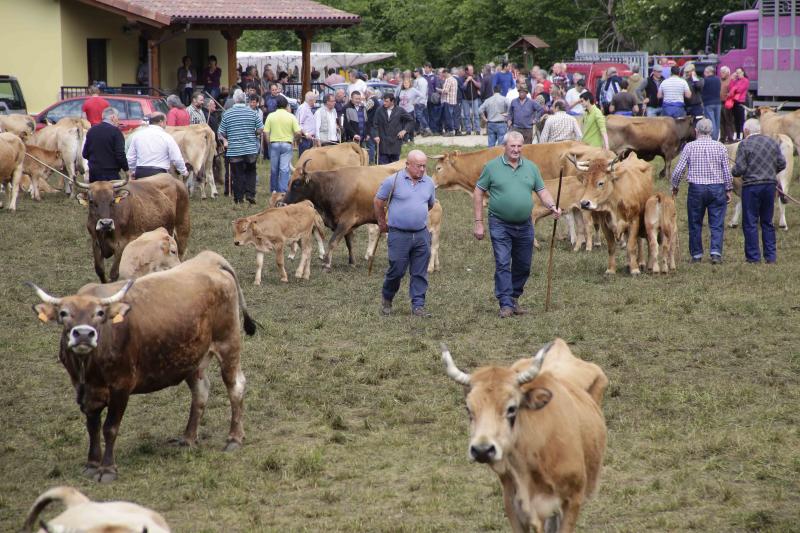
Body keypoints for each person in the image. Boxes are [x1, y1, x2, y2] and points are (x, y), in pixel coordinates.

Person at [473, 131, 561, 318]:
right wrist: (479, 222)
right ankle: (505, 303)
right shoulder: (491, 167)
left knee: (524, 265)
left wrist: (552, 206)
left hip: (525, 224)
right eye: (512, 146)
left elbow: (542, 190)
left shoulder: (531, 168)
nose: (516, 149)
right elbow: (478, 192)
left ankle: (514, 298)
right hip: (499, 223)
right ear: (504, 147)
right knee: (503, 263)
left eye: (519, 146)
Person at [374, 150, 437, 318]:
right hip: (399, 234)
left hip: (421, 234)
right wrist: (382, 222)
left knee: (419, 272)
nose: (422, 169)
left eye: (424, 166)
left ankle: (418, 305)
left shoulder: (429, 183)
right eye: (418, 166)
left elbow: (430, 204)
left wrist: (416, 216)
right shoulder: (393, 181)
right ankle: (387, 298)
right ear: (408, 165)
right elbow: (378, 201)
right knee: (397, 269)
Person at [670, 118, 733, 264]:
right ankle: (716, 253)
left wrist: (675, 186)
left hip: (696, 189)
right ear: (711, 131)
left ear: (696, 131)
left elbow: (679, 170)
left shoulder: (689, 147)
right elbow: (726, 171)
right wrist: (728, 189)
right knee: (717, 223)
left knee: (695, 222)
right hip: (717, 188)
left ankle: (696, 255)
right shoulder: (720, 147)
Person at [731, 119, 787, 263]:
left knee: (750, 222)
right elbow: (782, 163)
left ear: (746, 131)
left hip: (751, 187)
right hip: (769, 186)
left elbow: (739, 170)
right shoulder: (772, 143)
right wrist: (770, 172)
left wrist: (734, 169)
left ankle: (753, 257)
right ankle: (770, 256)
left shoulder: (744, 144)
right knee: (767, 221)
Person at [219, 89, 264, 204]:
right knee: (250, 171)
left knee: (237, 174)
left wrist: (225, 141)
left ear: (234, 100)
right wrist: (254, 134)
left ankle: (238, 198)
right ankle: (250, 194)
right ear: (245, 100)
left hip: (234, 150)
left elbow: (220, 133)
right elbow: (260, 129)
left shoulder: (227, 113)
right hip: (250, 148)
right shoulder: (252, 113)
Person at [126, 112, 188, 179]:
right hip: (159, 174)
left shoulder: (137, 136)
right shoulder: (166, 137)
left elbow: (130, 158)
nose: (166, 124)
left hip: (141, 172)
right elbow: (177, 158)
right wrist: (184, 172)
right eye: (165, 122)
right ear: (161, 122)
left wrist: (133, 171)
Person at [263, 95, 299, 193]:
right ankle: (283, 190)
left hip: (274, 144)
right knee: (284, 169)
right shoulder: (291, 116)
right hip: (287, 144)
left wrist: (269, 143)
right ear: (286, 105)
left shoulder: (270, 116)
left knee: (274, 168)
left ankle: (274, 189)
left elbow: (266, 132)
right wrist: (294, 139)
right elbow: (298, 132)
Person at [82, 107, 128, 182]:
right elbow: (120, 154)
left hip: (94, 173)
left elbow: (85, 154)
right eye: (118, 118)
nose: (118, 121)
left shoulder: (91, 130)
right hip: (111, 174)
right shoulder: (116, 132)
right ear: (113, 117)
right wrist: (126, 170)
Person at [372, 93, 413, 164]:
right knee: (383, 166)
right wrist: (376, 135)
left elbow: (411, 120)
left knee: (394, 166)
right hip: (383, 143)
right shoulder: (379, 110)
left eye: (386, 101)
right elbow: (375, 124)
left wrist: (404, 130)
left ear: (392, 101)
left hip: (395, 142)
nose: (384, 103)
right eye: (383, 101)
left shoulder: (400, 110)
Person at [729, 67, 749, 140]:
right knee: (736, 120)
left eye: (739, 73)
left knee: (742, 120)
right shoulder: (736, 81)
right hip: (735, 102)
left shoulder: (745, 81)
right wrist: (732, 80)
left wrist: (734, 89)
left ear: (743, 72)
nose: (738, 74)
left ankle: (744, 136)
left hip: (741, 102)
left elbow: (739, 90)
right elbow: (731, 88)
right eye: (737, 73)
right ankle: (737, 136)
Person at [701, 66, 722, 140]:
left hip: (708, 103)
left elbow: (700, 88)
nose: (704, 73)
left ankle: (713, 138)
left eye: (705, 72)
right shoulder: (718, 79)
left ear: (708, 72)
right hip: (718, 103)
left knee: (711, 122)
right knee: (717, 121)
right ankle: (716, 138)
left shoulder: (705, 80)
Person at [295, 91, 317, 156]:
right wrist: (306, 134)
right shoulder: (303, 108)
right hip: (305, 139)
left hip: (309, 139)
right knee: (304, 158)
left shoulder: (307, 108)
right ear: (311, 100)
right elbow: (299, 124)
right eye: (315, 100)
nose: (315, 102)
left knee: (309, 158)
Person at [461, 64, 482, 135]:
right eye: (471, 70)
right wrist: (467, 81)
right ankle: (468, 130)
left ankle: (477, 129)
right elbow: (463, 88)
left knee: (476, 114)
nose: (472, 71)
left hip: (474, 99)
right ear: (466, 71)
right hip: (465, 99)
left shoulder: (476, 77)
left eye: (472, 70)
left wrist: (472, 80)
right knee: (466, 115)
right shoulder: (462, 78)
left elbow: (479, 86)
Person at [412, 68, 431, 136]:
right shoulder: (416, 80)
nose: (414, 72)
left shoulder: (422, 81)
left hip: (420, 101)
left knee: (419, 115)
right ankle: (418, 130)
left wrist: (416, 101)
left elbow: (423, 93)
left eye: (415, 71)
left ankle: (427, 129)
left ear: (419, 72)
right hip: (417, 101)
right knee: (418, 117)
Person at [439, 69, 458, 136]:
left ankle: (450, 131)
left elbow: (446, 91)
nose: (442, 75)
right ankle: (453, 130)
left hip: (448, 101)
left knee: (448, 117)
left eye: (443, 74)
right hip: (453, 101)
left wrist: (440, 90)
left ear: (446, 73)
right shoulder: (454, 79)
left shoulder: (448, 80)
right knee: (452, 117)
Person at [719, 66, 734, 143]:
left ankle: (730, 138)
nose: (721, 74)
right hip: (720, 103)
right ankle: (722, 138)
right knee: (721, 122)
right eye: (721, 72)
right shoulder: (720, 80)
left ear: (728, 73)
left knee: (728, 121)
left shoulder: (731, 80)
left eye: (723, 72)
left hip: (727, 103)